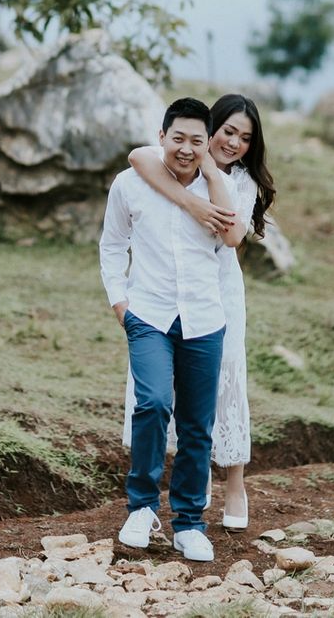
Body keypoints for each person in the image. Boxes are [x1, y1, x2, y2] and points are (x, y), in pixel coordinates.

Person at [125, 93, 275, 529]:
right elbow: (138, 155)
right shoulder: (178, 157)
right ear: (211, 129)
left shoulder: (243, 182)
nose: (233, 143)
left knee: (227, 378)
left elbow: (230, 238)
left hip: (220, 290)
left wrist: (212, 174)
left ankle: (235, 484)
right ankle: (194, 478)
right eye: (228, 131)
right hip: (168, 290)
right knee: (169, 384)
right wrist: (192, 199)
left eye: (245, 138)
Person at [99, 98, 236, 562]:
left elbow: (234, 237)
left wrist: (213, 174)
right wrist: (121, 303)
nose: (186, 148)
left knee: (198, 424)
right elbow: (113, 244)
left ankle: (190, 522)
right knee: (154, 402)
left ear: (208, 144)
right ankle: (141, 507)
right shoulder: (131, 184)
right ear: (161, 137)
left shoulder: (219, 188)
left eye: (197, 140)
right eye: (178, 138)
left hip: (203, 317)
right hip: (149, 315)